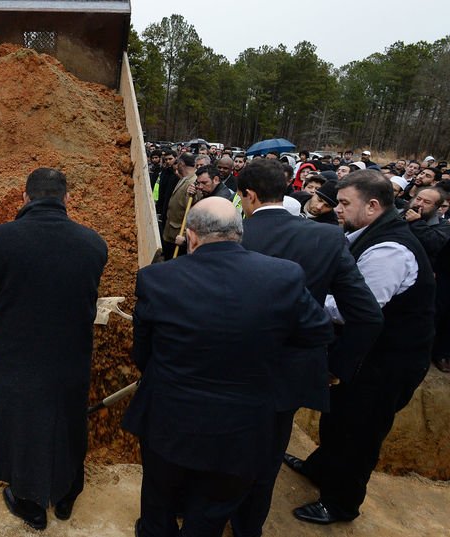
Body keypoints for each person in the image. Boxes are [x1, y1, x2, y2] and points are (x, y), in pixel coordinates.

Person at [123, 197, 334, 537]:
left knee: (159, 498)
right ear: (240, 233)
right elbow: (318, 332)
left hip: (170, 418)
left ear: (191, 237)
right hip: (244, 426)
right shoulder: (283, 276)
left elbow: (142, 353)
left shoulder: (156, 279)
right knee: (213, 510)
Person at [231, 159, 383, 537]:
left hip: (227, 370)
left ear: (248, 196)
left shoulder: (229, 236)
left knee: (219, 449)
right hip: (289, 373)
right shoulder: (326, 238)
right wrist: (334, 366)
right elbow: (367, 315)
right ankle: (248, 528)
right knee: (265, 462)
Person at [288, 171, 436, 525]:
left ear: (372, 206)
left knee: (360, 431)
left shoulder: (390, 249)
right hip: (365, 353)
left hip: (388, 362)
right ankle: (321, 467)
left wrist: (304, 298)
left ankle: (341, 503)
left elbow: (356, 308)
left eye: (343, 203)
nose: (335, 209)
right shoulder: (366, 233)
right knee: (338, 417)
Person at [0, 168, 108, 530]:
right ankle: (66, 495)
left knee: (22, 422)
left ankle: (30, 503)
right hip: (71, 355)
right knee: (68, 418)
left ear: (24, 198)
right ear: (67, 199)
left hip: (19, 355)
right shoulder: (93, 244)